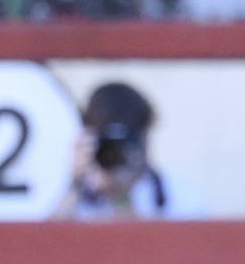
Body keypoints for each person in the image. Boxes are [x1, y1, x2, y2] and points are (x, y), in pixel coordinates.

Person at [52, 81, 180, 218]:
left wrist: (120, 195)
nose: (114, 153)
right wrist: (76, 182)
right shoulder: (66, 193)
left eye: (124, 143)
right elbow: (47, 237)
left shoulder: (176, 194)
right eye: (107, 142)